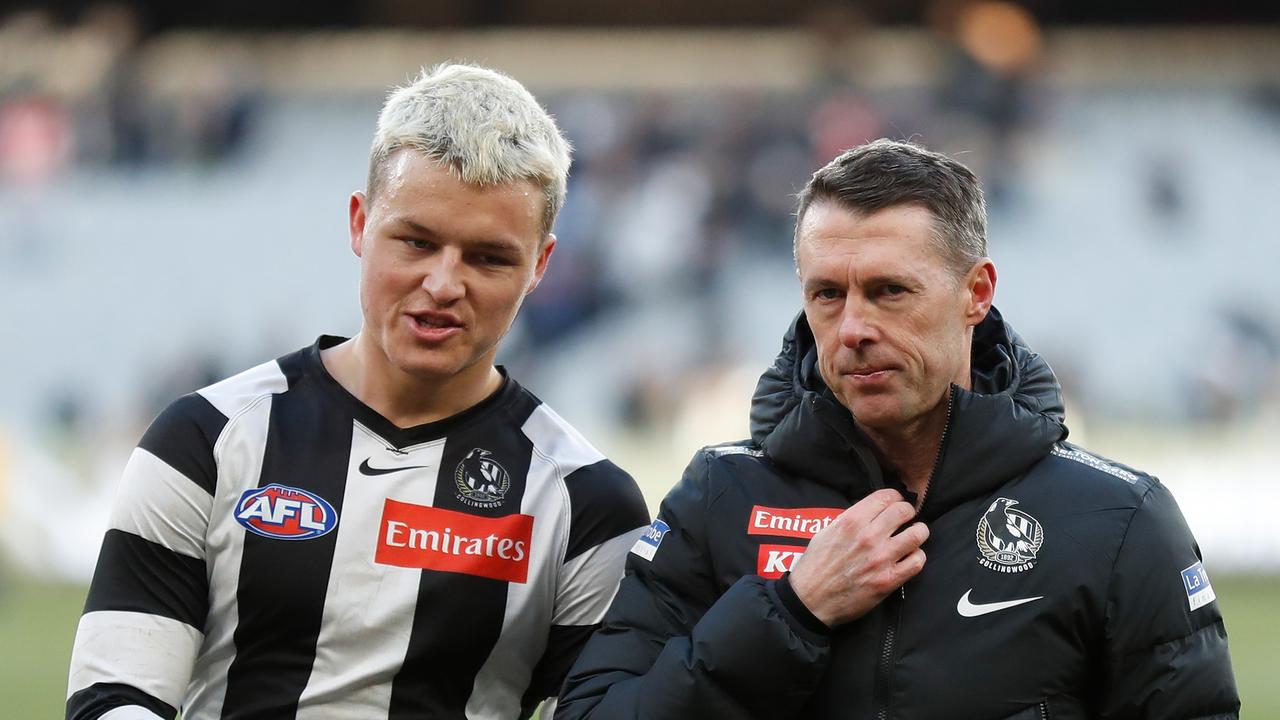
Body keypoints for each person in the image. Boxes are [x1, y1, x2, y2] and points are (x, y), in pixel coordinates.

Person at [557, 139, 1239, 719]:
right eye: (828, 294)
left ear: (976, 294)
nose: (853, 329)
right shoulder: (719, 496)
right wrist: (789, 612)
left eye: (890, 291)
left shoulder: (1117, 519)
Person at [67, 63, 650, 720]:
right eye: (416, 242)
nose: (443, 283)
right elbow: (114, 696)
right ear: (359, 223)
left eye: (489, 257)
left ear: (540, 266)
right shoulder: (206, 438)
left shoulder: (588, 504)